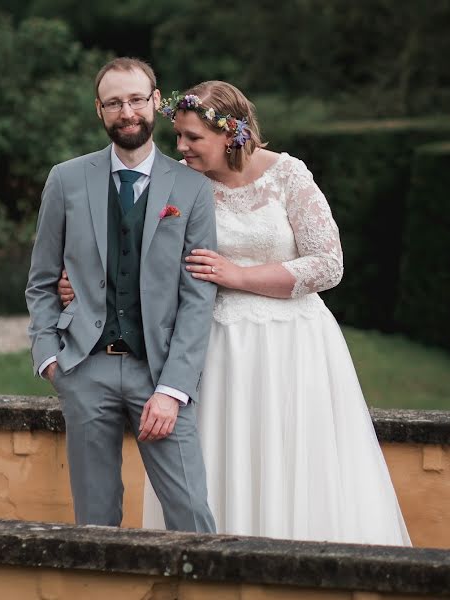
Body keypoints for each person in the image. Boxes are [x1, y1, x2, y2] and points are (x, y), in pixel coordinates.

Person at [58, 80, 411, 545]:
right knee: (214, 459)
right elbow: (141, 264)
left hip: (291, 345)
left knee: (292, 461)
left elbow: (329, 264)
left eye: (192, 138)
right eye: (178, 136)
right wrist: (83, 287)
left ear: (231, 136)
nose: (180, 148)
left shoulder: (288, 175)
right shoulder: (178, 185)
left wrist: (238, 276)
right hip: (214, 349)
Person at [25, 58, 217, 533]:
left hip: (159, 373)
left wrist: (173, 391)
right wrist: (48, 355)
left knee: (191, 516)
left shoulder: (191, 188)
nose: (126, 111)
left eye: (135, 99)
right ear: (100, 110)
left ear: (155, 101)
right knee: (95, 521)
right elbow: (42, 279)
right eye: (114, 103)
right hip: (84, 368)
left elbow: (198, 296)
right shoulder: (66, 179)